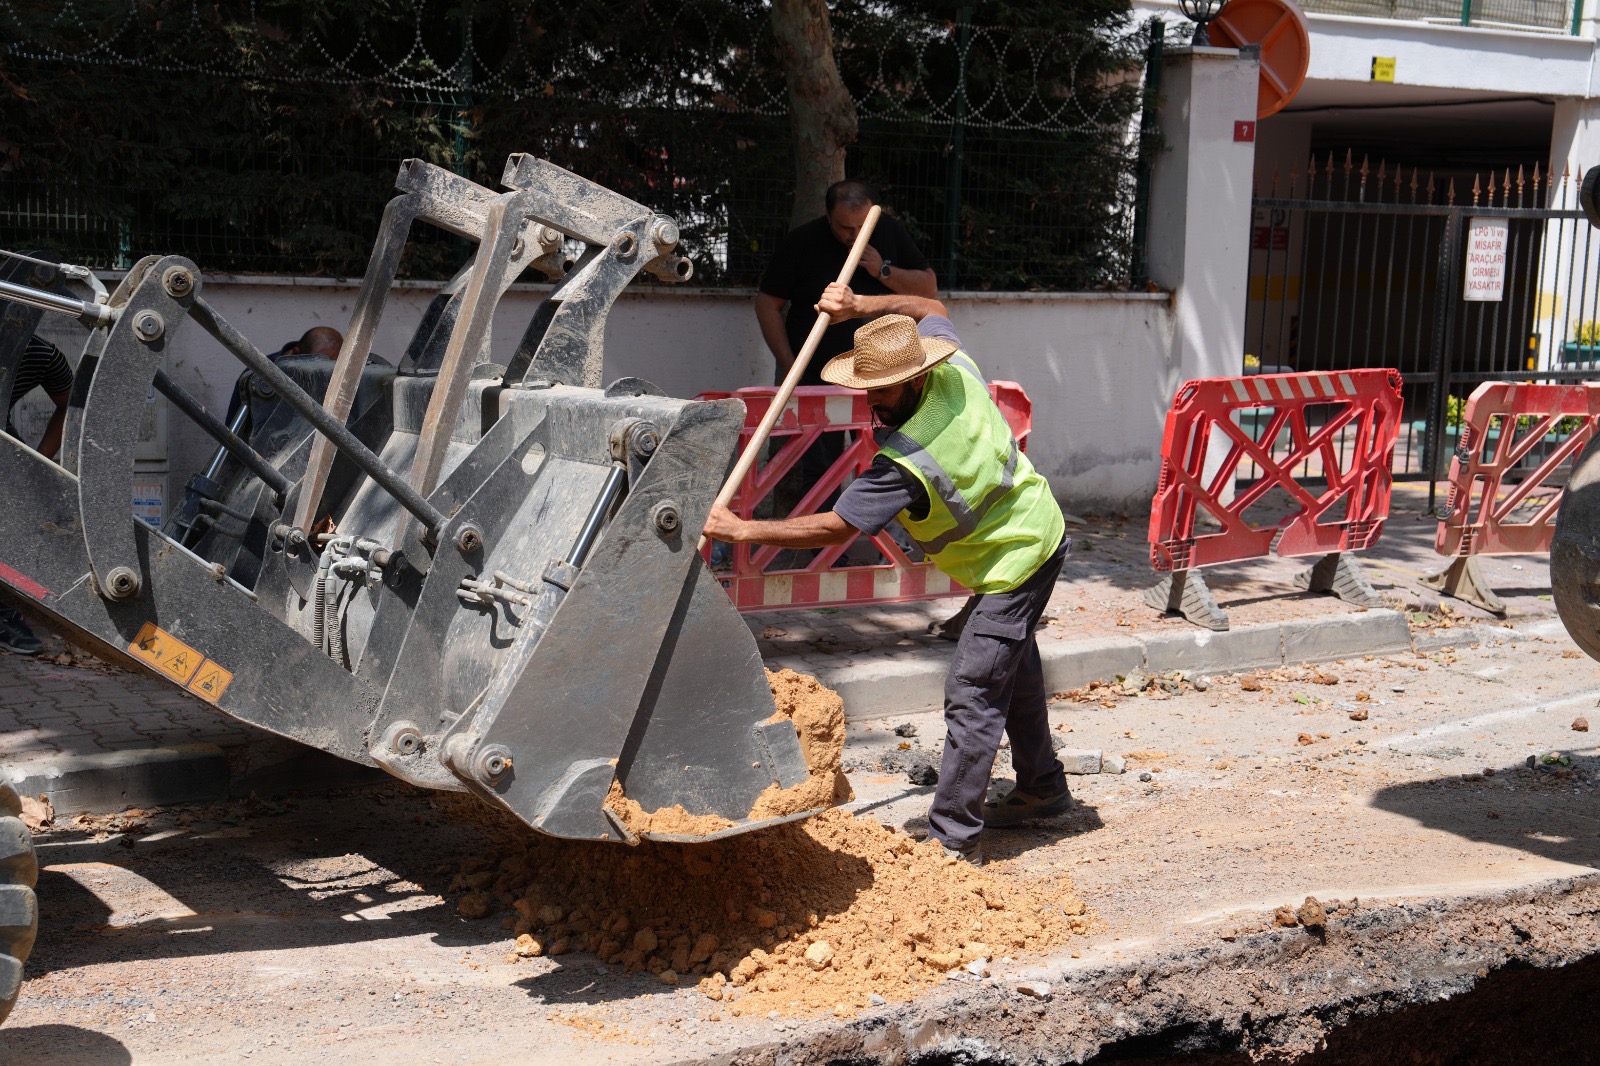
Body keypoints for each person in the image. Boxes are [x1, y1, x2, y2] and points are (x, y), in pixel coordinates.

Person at [706, 283, 1071, 865]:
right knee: (1013, 669)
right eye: (865, 386)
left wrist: (741, 530)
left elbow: (835, 528)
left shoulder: (906, 459)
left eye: (881, 388)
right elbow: (932, 308)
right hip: (1026, 534)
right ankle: (1043, 788)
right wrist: (857, 308)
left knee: (974, 689)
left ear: (916, 378)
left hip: (1018, 560)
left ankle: (953, 842)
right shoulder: (954, 369)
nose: (871, 398)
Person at [1, 335, 74, 655]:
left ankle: (5, 613)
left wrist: (39, 463)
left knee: (20, 510)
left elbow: (70, 404)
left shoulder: (40, 353)